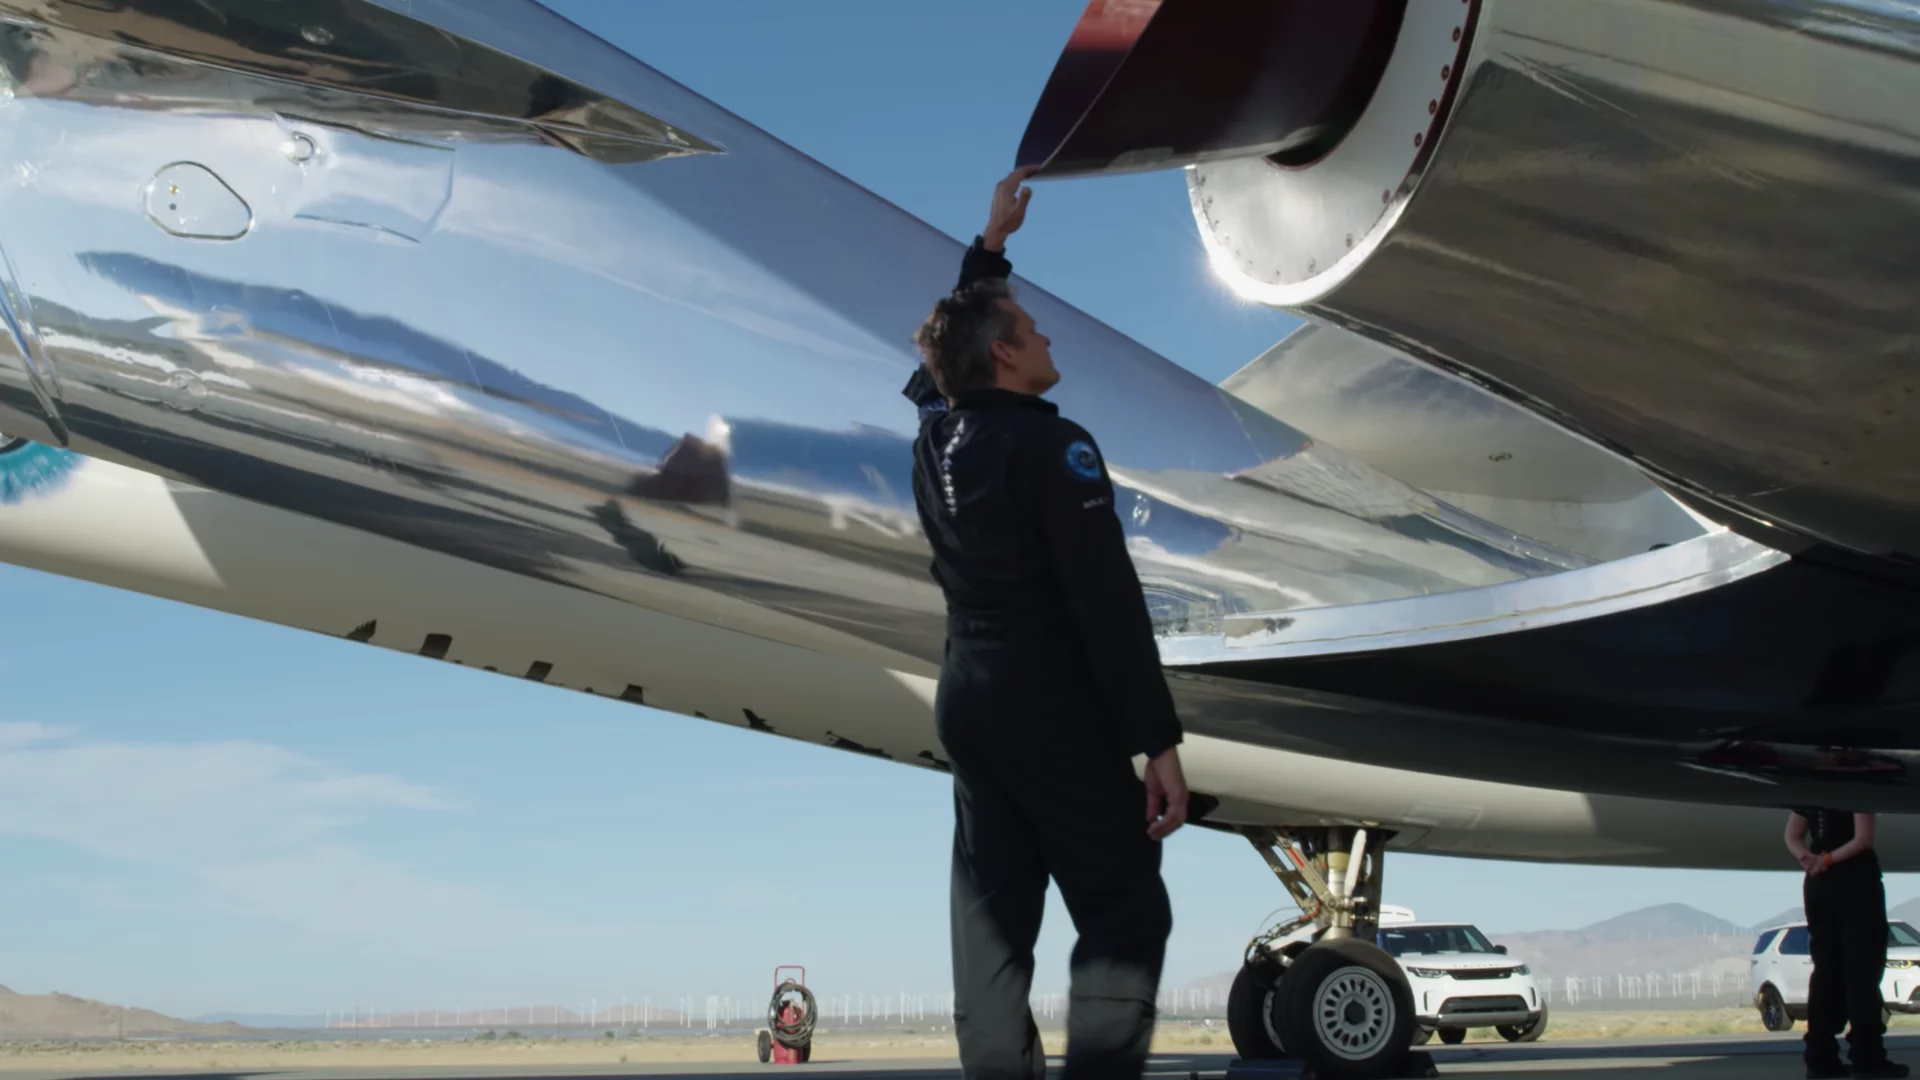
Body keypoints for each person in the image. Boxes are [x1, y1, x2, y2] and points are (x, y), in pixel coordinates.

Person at [902, 166, 1189, 1079]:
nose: (1047, 333)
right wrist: (1157, 741)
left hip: (969, 704)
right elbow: (1106, 600)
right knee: (1125, 912)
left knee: (992, 928)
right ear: (1004, 357)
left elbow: (944, 358)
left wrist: (991, 248)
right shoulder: (1054, 447)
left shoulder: (935, 441)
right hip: (1049, 706)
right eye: (1029, 328)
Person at [1786, 808, 1907, 1078]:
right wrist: (1827, 860)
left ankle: (1820, 1057)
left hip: (1817, 883)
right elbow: (1863, 839)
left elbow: (1792, 835)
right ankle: (1868, 1057)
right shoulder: (1854, 788)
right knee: (1862, 971)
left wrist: (1809, 859)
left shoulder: (1810, 791)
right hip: (1854, 878)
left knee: (1825, 970)